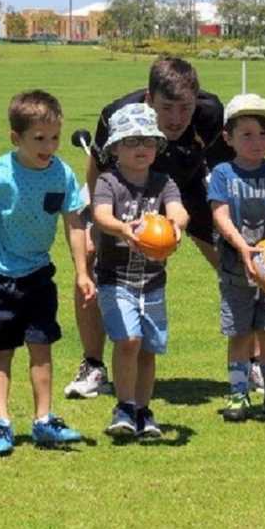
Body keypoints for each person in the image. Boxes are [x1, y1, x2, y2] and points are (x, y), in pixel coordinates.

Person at [63, 57, 231, 398]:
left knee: (232, 262)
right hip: (124, 185)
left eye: (185, 108)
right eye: (166, 108)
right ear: (148, 98)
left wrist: (221, 217)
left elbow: (223, 164)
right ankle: (93, 365)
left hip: (186, 185)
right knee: (91, 260)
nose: (176, 119)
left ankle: (252, 361)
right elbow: (98, 166)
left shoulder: (210, 113)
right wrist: (99, 219)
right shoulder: (117, 114)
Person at [0, 90, 93, 455]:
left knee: (41, 347)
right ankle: (1, 423)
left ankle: (44, 421)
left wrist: (82, 272)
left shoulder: (61, 174)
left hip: (38, 275)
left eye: (55, 137)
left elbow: (73, 223)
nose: (49, 146)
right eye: (39, 139)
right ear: (16, 138)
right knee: (2, 351)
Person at [91, 103, 189, 438]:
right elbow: (101, 215)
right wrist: (123, 229)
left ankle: (144, 410)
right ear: (116, 147)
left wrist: (176, 227)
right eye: (132, 141)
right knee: (129, 340)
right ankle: (124, 406)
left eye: (148, 141)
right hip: (115, 279)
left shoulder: (164, 183)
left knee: (149, 348)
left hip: (153, 281)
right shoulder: (109, 181)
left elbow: (179, 212)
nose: (141, 148)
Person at [207, 93, 265, 422]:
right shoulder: (223, 173)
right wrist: (242, 247)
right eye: (246, 134)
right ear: (228, 138)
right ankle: (237, 394)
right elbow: (219, 214)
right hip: (237, 269)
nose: (256, 141)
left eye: (263, 133)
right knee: (240, 333)